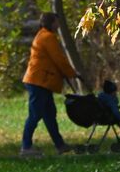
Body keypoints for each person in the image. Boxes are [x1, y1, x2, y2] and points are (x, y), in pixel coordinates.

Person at [20, 12, 78, 157]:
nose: (58, 25)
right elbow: (58, 58)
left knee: (49, 115)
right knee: (34, 115)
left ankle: (60, 145)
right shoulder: (48, 37)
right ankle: (26, 147)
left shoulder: (42, 35)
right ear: (51, 23)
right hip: (39, 82)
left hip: (41, 82)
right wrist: (72, 73)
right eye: (56, 22)